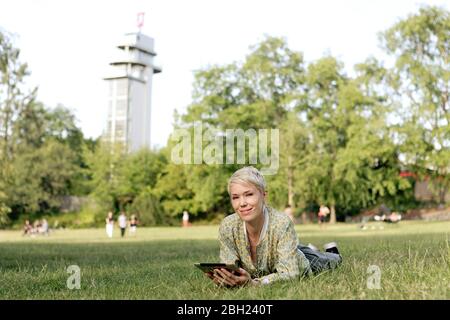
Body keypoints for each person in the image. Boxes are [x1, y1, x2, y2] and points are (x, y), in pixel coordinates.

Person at [205, 166, 342, 287]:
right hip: (283, 252)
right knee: (295, 250)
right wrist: (227, 278)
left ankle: (332, 253)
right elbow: (230, 267)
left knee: (330, 261)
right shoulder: (228, 226)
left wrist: (255, 283)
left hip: (302, 262)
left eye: (249, 194)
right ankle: (306, 248)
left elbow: (290, 273)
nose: (242, 203)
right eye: (235, 197)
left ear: (263, 195)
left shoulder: (281, 223)